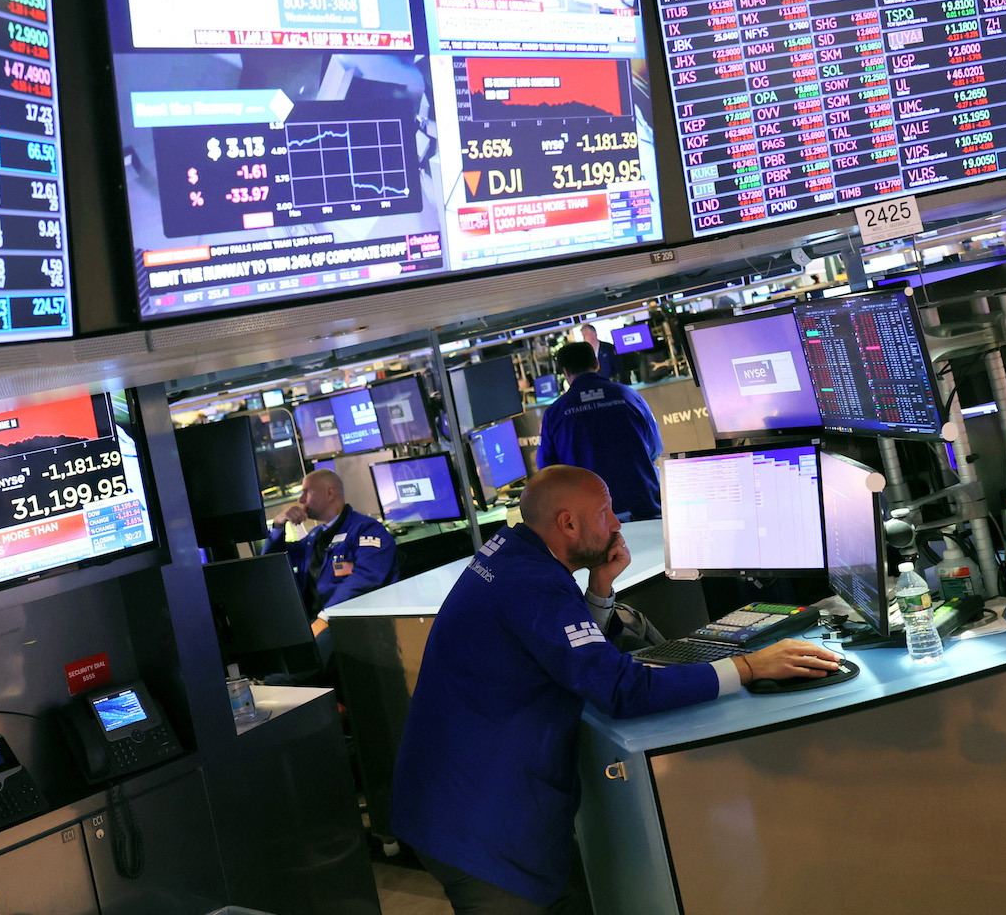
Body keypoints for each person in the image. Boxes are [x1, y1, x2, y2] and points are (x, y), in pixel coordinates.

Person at [390, 466, 840, 913]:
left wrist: (600, 589)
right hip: (480, 828)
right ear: (568, 523)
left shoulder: (513, 553)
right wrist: (747, 666)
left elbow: (559, 648)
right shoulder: (533, 583)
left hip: (460, 802)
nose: (617, 523)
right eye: (605, 512)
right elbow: (621, 690)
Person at [265, 469, 399, 636]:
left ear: (329, 493)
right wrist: (278, 524)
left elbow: (365, 578)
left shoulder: (365, 529)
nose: (300, 500)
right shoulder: (313, 538)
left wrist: (325, 617)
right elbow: (272, 562)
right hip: (313, 623)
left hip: (351, 624)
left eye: (306, 492)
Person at [538, 342, 662, 520]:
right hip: (644, 507)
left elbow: (548, 471)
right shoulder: (629, 395)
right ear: (597, 363)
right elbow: (656, 447)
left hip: (592, 518)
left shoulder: (555, 413)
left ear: (565, 372)